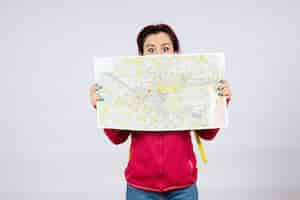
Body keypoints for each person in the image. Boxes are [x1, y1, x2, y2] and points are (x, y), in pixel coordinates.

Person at [89, 24, 232, 200]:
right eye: (151, 49)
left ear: (175, 53)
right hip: (140, 187)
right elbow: (116, 137)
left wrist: (219, 101)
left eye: (165, 48)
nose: (158, 54)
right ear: (141, 56)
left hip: (183, 186)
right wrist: (104, 106)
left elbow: (208, 134)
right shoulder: (130, 90)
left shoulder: (191, 87)